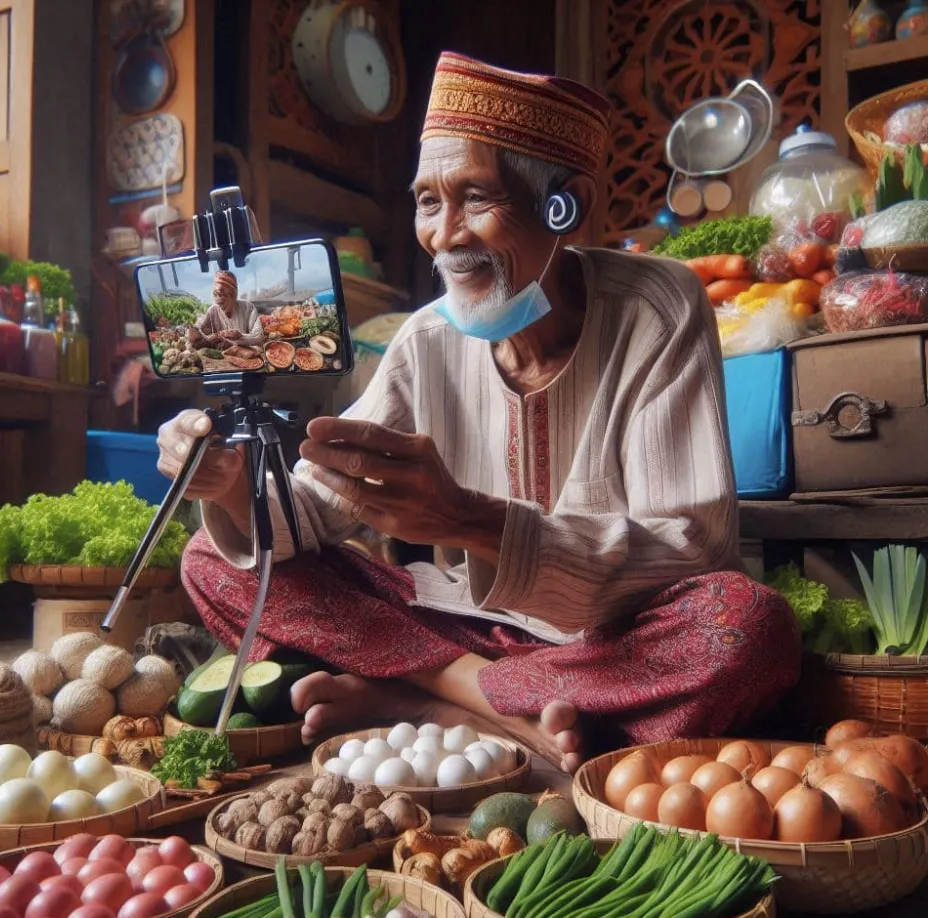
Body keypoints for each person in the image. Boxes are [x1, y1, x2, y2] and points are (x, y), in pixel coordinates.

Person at [158, 52, 801, 773]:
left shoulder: (659, 306)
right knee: (215, 556)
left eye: (475, 198)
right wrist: (230, 486)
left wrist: (470, 520)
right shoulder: (425, 338)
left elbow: (691, 547)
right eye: (429, 202)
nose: (444, 235)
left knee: (747, 627)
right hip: (453, 632)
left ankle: (409, 699)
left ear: (565, 205)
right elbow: (310, 512)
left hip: (610, 643)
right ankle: (467, 697)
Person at [194, 268, 263, 342]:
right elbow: (200, 331)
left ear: (233, 295)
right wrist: (206, 337)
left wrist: (240, 336)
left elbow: (258, 336)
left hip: (248, 351)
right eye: (215, 294)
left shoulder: (248, 308)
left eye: (221, 294)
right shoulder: (213, 310)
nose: (217, 299)